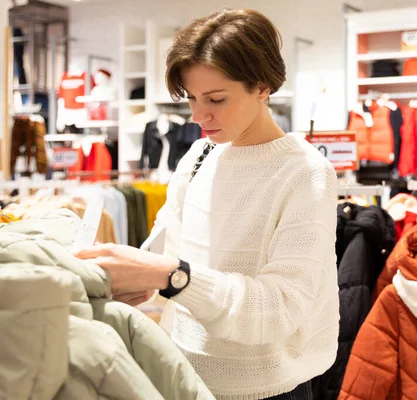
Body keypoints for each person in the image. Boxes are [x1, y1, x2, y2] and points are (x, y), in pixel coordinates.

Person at [75, 8, 340, 400]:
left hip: (267, 389)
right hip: (184, 377)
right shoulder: (199, 155)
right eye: (192, 99)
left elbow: (280, 309)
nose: (199, 115)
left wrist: (170, 276)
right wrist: (130, 277)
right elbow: (168, 248)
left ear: (263, 86)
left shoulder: (305, 173)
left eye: (216, 98)